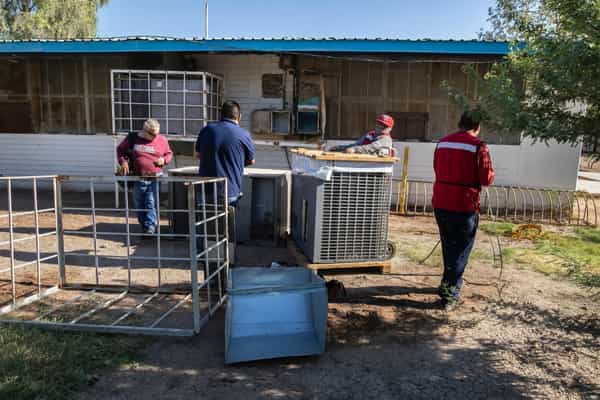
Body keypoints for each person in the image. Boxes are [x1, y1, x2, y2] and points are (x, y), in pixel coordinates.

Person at [432, 109, 495, 310]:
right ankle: (449, 294)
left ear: (460, 124)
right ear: (477, 127)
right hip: (464, 204)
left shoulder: (442, 143)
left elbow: (436, 168)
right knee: (461, 249)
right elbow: (486, 179)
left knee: (449, 245)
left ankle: (449, 283)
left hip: (441, 201)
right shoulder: (479, 146)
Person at [116, 118, 172, 235]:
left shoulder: (162, 140)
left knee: (151, 201)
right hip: (137, 177)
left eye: (156, 133)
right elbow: (120, 150)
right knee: (139, 202)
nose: (155, 136)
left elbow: (169, 153)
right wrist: (123, 162)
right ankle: (144, 226)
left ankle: (150, 227)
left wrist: (164, 160)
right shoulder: (133, 138)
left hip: (154, 176)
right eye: (152, 134)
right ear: (145, 131)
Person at [195, 100, 256, 206]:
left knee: (205, 221)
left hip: (205, 189)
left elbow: (197, 155)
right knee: (227, 221)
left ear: (221, 115)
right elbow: (251, 160)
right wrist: (236, 163)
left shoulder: (206, 130)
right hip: (230, 190)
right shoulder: (244, 134)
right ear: (239, 116)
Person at [330, 114, 395, 156]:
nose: (380, 126)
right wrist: (340, 148)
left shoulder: (386, 139)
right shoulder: (370, 134)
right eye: (379, 124)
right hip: (361, 165)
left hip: (376, 171)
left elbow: (371, 148)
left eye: (384, 126)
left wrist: (355, 149)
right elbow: (356, 144)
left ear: (390, 128)